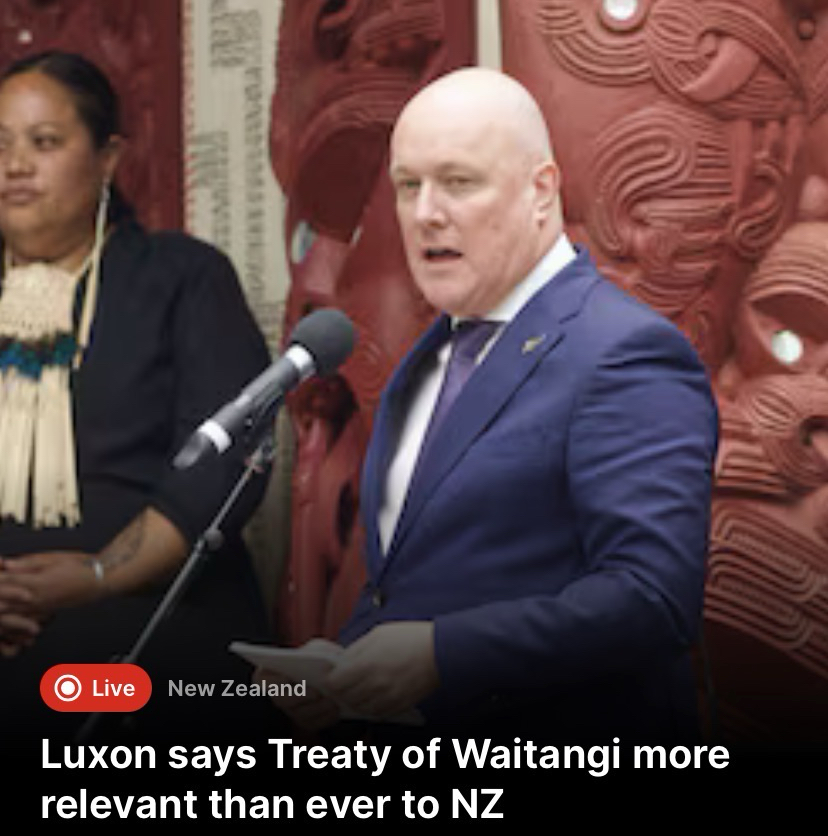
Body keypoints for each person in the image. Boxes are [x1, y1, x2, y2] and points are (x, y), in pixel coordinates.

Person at [265, 67, 719, 741]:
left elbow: (653, 600)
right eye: (408, 185)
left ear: (542, 190)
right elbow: (417, 583)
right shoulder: (428, 358)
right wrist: (346, 673)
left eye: (458, 182)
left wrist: (441, 655)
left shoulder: (623, 353)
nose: (425, 212)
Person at [0, 51, 272, 737]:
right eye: (0, 145)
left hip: (153, 617)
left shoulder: (183, 277)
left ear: (108, 158)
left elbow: (225, 464)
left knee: (69, 687)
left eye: (44, 142)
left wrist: (98, 575)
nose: (15, 165)